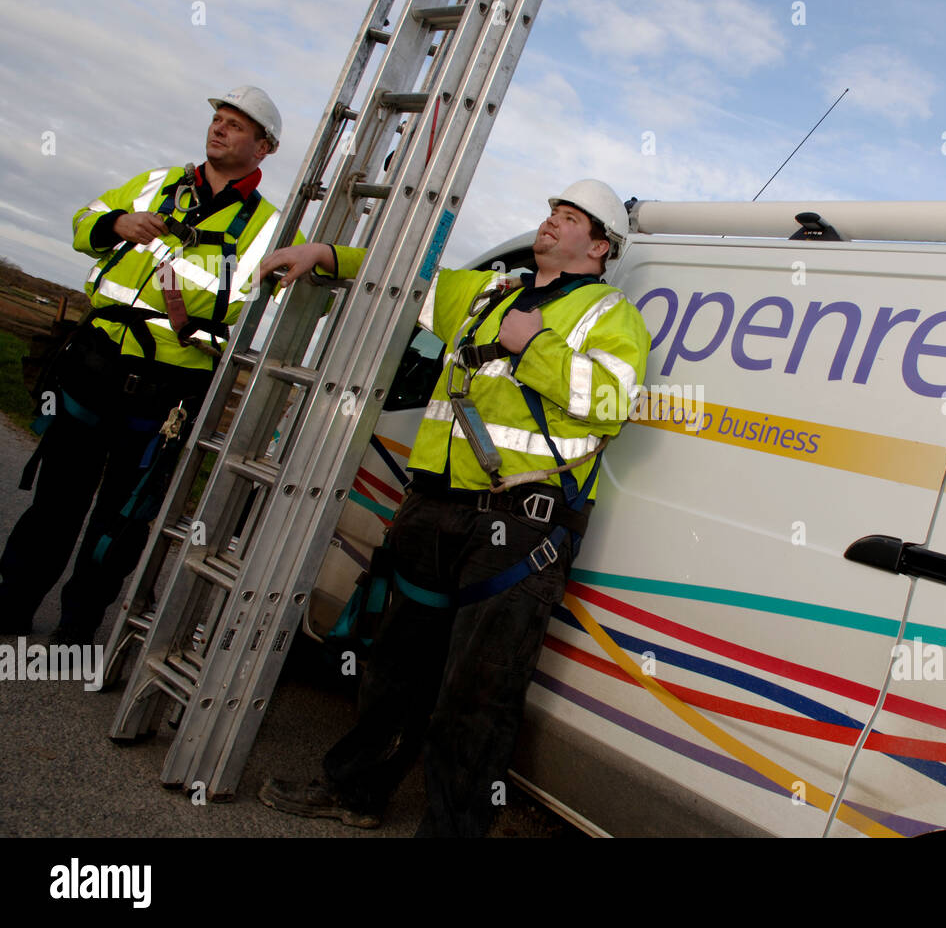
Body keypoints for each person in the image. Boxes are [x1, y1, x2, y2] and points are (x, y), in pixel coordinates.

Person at [257, 179, 650, 836]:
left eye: (571, 216)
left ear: (600, 245)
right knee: (393, 667)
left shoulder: (610, 316)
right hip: (433, 509)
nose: (551, 220)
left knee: (478, 696)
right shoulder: (491, 291)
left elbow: (613, 402)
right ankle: (355, 790)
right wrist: (325, 254)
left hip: (519, 529)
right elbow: (407, 282)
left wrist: (537, 346)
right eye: (552, 208)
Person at [0, 85, 335, 645]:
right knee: (56, 501)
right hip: (95, 363)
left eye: (235, 124)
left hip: (170, 388)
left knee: (124, 515)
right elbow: (86, 220)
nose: (219, 129)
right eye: (219, 119)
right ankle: (11, 604)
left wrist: (323, 258)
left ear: (264, 147)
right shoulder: (154, 184)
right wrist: (116, 226)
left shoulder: (273, 230)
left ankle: (78, 626)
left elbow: (301, 305)